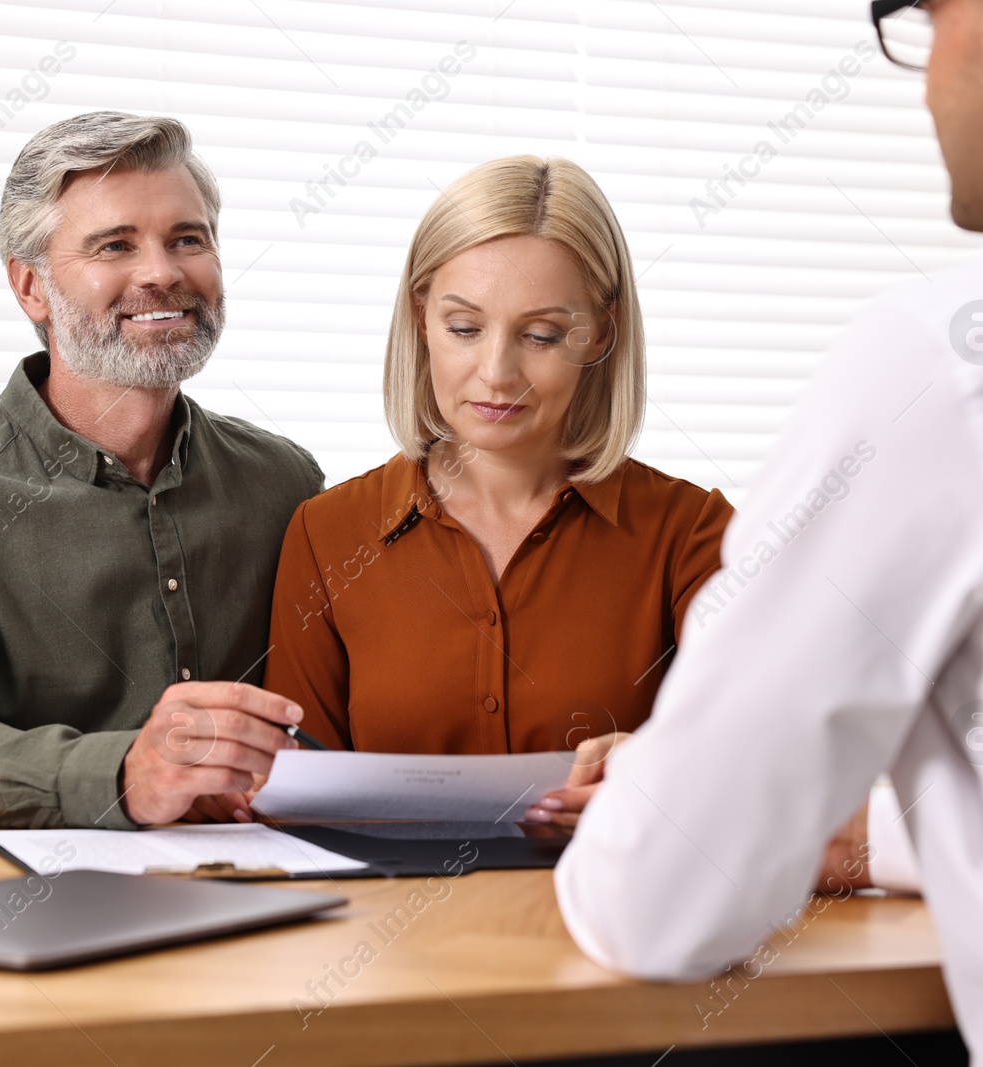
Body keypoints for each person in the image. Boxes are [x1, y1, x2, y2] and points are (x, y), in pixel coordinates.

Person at [555, 0, 983, 1062]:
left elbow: (659, 896)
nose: (926, 77)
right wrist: (879, 835)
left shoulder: (964, 352)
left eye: (924, 23)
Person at [0, 112, 318, 831]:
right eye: (114, 245)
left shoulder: (285, 483)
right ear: (30, 287)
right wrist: (122, 776)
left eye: (188, 239)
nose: (162, 272)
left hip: (237, 897)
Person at [256, 156, 734, 826]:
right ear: (421, 319)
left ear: (601, 331)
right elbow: (302, 806)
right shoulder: (327, 533)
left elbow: (774, 753)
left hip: (611, 919)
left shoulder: (691, 534)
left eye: (542, 335)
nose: (497, 373)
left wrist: (667, 773)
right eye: (464, 327)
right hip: (388, 927)